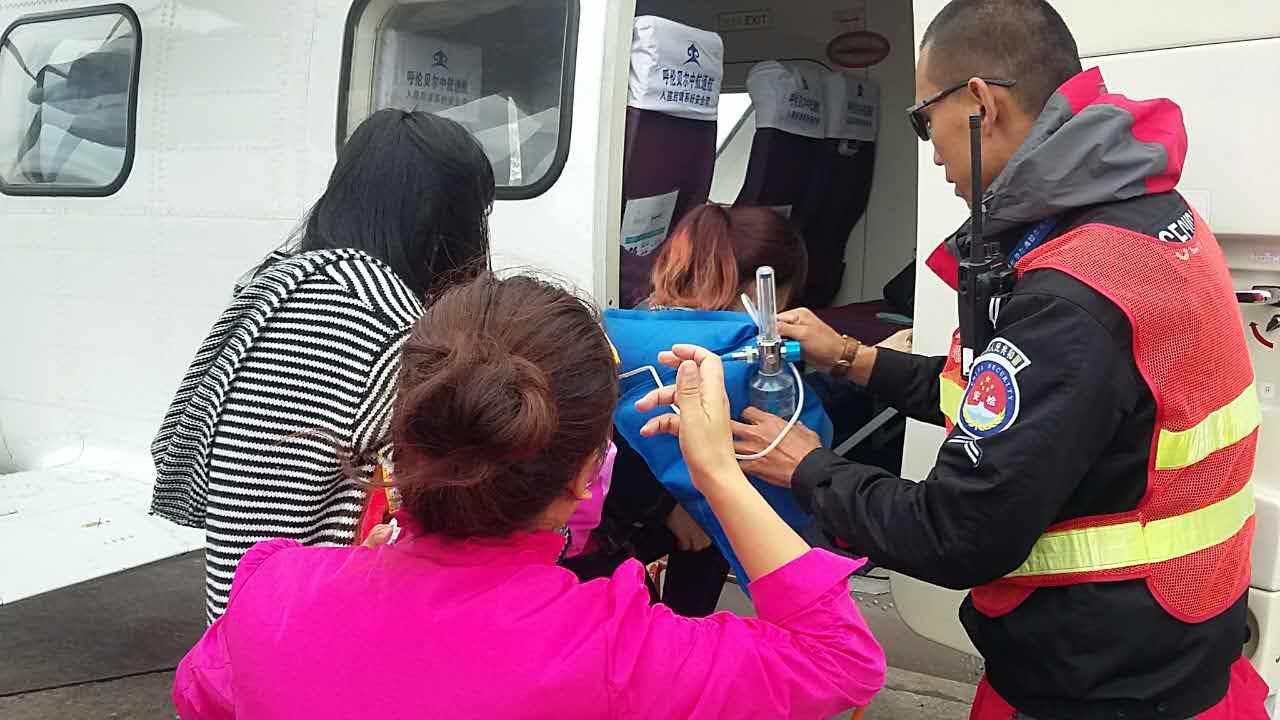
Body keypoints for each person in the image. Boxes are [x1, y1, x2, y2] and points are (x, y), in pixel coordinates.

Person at [733, 1, 1270, 718]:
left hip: (1098, 687)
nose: (931, 152)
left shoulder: (1072, 294)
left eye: (924, 118)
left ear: (979, 103)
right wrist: (855, 359)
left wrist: (807, 467)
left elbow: (956, 533)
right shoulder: (1147, 219)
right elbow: (1011, 408)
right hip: (1174, 649)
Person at [171, 274, 886, 719]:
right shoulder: (612, 653)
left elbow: (201, 695)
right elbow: (838, 660)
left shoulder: (273, 590)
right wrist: (718, 472)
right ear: (584, 477)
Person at [150, 109, 496, 622]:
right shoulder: (387, 322)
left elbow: (174, 447)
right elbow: (458, 488)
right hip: (316, 629)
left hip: (234, 617)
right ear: (444, 220)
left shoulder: (268, 287)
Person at [567, 203, 813, 617]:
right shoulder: (726, 360)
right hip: (616, 519)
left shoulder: (635, 324)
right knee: (712, 532)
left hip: (608, 510)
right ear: (762, 292)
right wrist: (670, 508)